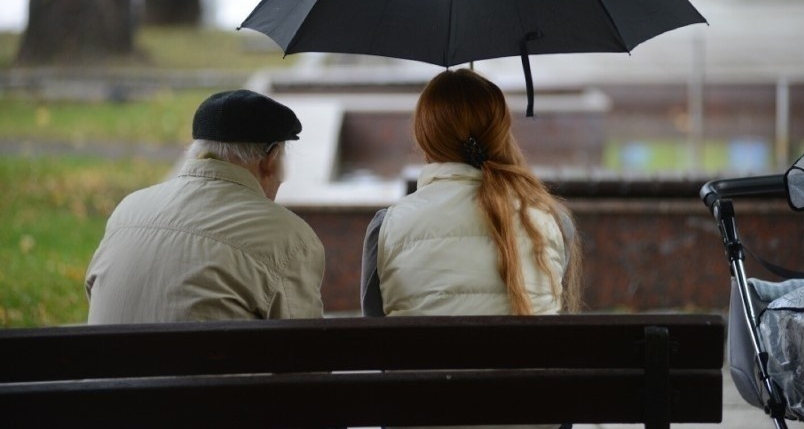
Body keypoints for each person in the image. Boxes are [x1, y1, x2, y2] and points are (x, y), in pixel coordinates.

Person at [86, 89, 325, 323]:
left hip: (107, 363)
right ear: (271, 160)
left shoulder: (127, 212)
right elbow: (304, 353)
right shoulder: (289, 239)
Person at [361, 68, 582, 318]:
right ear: (500, 132)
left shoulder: (387, 228)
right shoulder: (552, 222)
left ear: (426, 139)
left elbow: (374, 328)